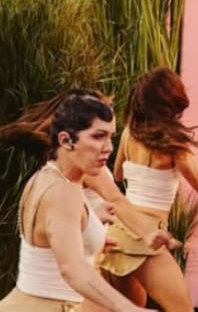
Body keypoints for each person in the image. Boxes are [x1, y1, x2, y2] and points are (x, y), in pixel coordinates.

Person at [98, 69, 198, 312]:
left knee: (133, 308)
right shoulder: (173, 144)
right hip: (146, 236)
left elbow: (119, 175)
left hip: (118, 234)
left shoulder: (129, 134)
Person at [0, 90, 173, 312]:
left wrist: (91, 228)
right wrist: (128, 309)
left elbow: (51, 239)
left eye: (110, 136)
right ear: (66, 140)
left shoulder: (47, 178)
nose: (109, 148)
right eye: (98, 136)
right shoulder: (63, 193)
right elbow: (72, 270)